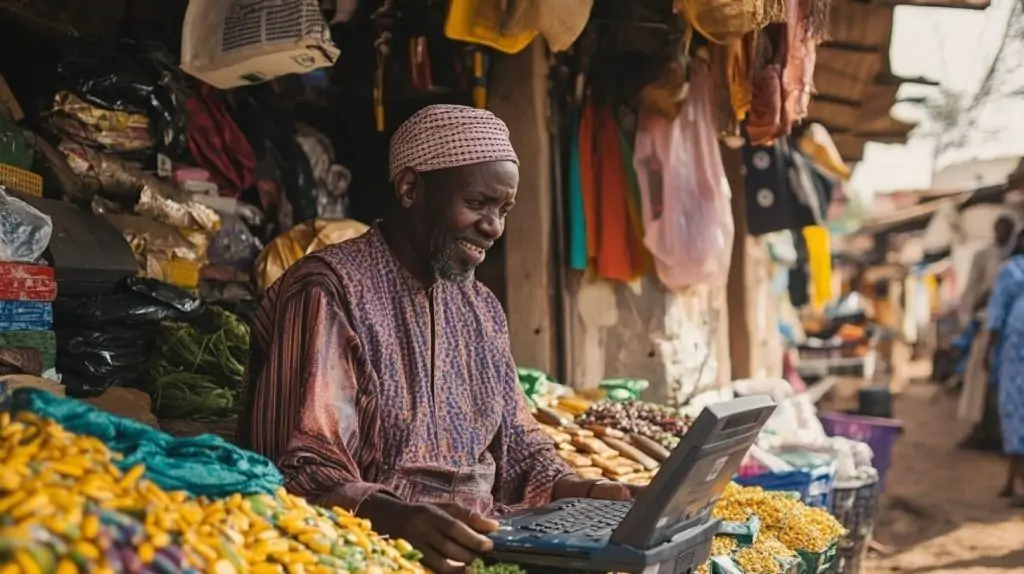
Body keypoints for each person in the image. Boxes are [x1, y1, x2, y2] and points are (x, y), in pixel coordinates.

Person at [240, 105, 636, 573]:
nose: (494, 226)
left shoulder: (481, 308)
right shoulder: (330, 290)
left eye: (503, 210)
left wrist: (598, 492)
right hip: (370, 554)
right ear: (410, 189)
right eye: (477, 203)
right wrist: (397, 518)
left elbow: (521, 448)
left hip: (483, 545)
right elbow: (302, 465)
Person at [958, 214, 1017, 450]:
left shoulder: (1014, 262)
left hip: (1011, 337)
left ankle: (1001, 435)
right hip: (986, 328)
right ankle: (978, 429)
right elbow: (973, 292)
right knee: (979, 382)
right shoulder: (984, 256)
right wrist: (968, 321)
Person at [983, 229, 1024, 505]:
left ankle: (1018, 486)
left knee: (1014, 413)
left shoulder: (1011, 270)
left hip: (1016, 348)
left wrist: (989, 348)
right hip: (1015, 348)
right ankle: (1012, 481)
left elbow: (996, 313)